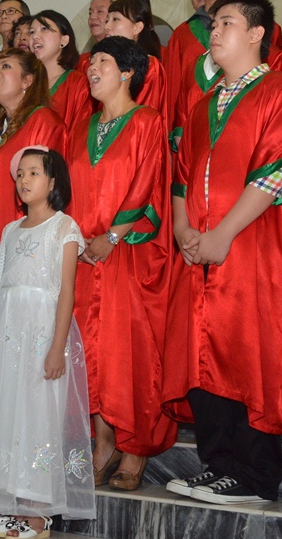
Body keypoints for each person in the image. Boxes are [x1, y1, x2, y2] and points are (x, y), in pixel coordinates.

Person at [163, 0, 282, 504]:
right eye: (212, 24)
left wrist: (223, 233)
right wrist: (183, 229)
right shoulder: (202, 105)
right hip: (198, 253)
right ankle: (217, 464)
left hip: (251, 249)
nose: (214, 32)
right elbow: (180, 177)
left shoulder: (279, 90)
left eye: (226, 22)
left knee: (248, 354)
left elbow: (279, 169)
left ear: (255, 34)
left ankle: (254, 476)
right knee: (203, 355)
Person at [0, 147, 95, 537]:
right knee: (7, 413)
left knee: (38, 416)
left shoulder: (63, 227)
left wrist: (57, 347)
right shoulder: (9, 230)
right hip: (8, 335)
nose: (23, 180)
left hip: (41, 334)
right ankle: (11, 502)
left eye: (33, 173)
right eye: (19, 174)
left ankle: (38, 511)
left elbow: (66, 292)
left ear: (53, 182)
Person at [66, 36, 176, 492]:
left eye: (104, 62)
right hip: (83, 259)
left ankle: (136, 449)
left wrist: (113, 235)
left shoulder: (147, 121)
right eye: (91, 63)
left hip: (127, 253)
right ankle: (102, 443)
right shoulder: (80, 128)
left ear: (128, 71)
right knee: (89, 355)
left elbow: (148, 182)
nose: (92, 70)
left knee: (128, 353)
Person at [0, 49, 66, 241]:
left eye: (5, 66)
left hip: (22, 236)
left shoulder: (42, 120)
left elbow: (47, 185)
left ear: (27, 81)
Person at [166, 0, 242, 148]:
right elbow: (173, 92)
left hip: (240, 132)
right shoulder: (182, 35)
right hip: (189, 140)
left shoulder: (254, 26)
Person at [104, 0, 168, 128]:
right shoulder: (106, 65)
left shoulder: (150, 65)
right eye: (107, 20)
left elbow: (145, 114)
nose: (107, 26)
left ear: (137, 27)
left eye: (115, 19)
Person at [30, 10, 93, 127]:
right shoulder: (26, 82)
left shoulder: (78, 82)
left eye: (44, 29)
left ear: (64, 40)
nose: (35, 36)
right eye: (31, 32)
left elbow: (80, 129)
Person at [77, 0, 116, 71]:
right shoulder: (81, 62)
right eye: (90, 13)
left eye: (100, 11)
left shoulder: (129, 59)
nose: (92, 17)